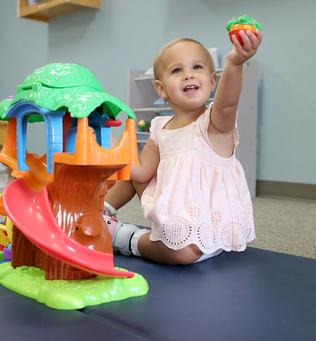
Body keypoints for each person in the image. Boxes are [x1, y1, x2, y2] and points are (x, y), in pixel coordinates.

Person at [104, 29, 262, 265]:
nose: (188, 75)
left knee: (182, 253)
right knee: (131, 168)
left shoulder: (215, 123)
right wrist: (109, 140)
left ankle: (122, 237)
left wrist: (235, 63)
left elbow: (228, 103)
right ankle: (100, 211)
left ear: (212, 81)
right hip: (175, 215)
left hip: (210, 225)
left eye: (197, 67)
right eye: (177, 70)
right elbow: (140, 173)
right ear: (161, 89)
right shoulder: (159, 127)